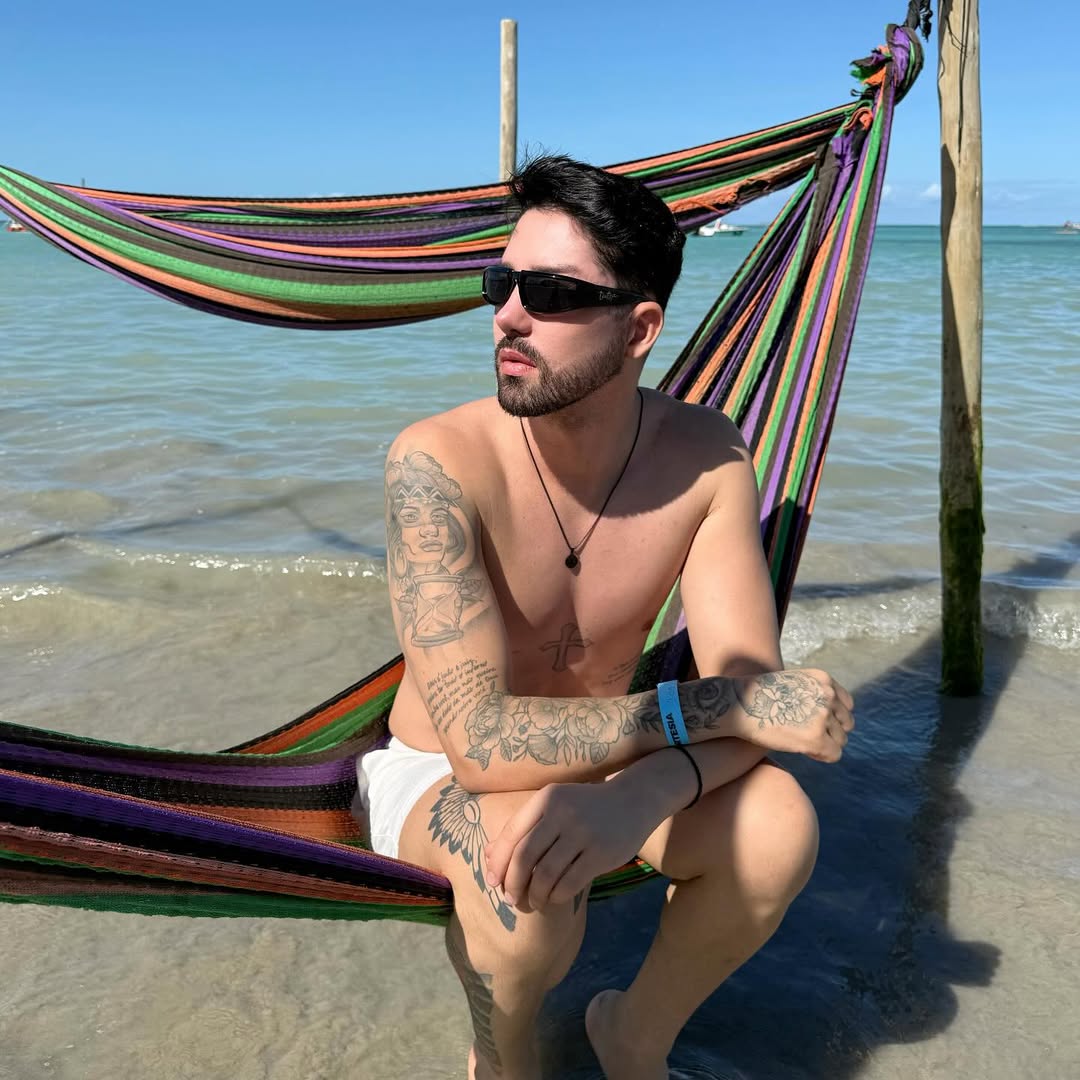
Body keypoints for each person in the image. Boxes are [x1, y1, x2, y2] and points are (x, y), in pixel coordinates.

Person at [357, 155, 855, 1080]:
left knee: (779, 826)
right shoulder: (436, 463)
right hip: (438, 770)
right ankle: (502, 1062)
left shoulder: (705, 460)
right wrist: (716, 714)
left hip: (614, 754)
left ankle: (633, 1037)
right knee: (523, 888)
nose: (508, 317)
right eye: (502, 283)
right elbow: (481, 745)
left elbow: (755, 697)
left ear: (640, 329)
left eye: (549, 293)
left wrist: (644, 792)